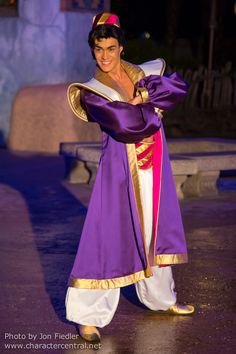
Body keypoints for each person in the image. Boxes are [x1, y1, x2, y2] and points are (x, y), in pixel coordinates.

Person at [65, 12, 194, 342]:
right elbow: (129, 126)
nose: (105, 56)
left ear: (121, 46)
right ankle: (87, 316)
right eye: (98, 49)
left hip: (154, 169)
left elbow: (178, 86)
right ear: (92, 50)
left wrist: (148, 97)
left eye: (110, 48)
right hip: (120, 174)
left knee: (155, 231)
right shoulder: (93, 92)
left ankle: (162, 299)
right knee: (108, 236)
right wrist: (153, 104)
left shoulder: (142, 74)